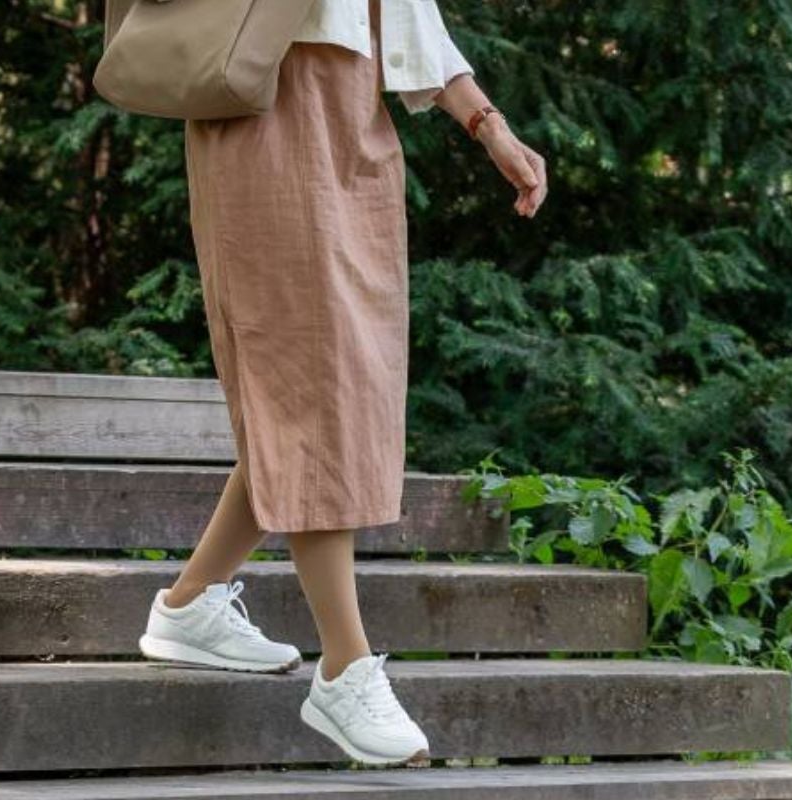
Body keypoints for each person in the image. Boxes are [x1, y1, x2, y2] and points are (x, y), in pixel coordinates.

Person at [131, 0, 548, 768]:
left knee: (345, 379)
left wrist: (487, 123)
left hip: (355, 114)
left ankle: (190, 605)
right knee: (311, 385)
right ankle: (345, 667)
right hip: (261, 97)